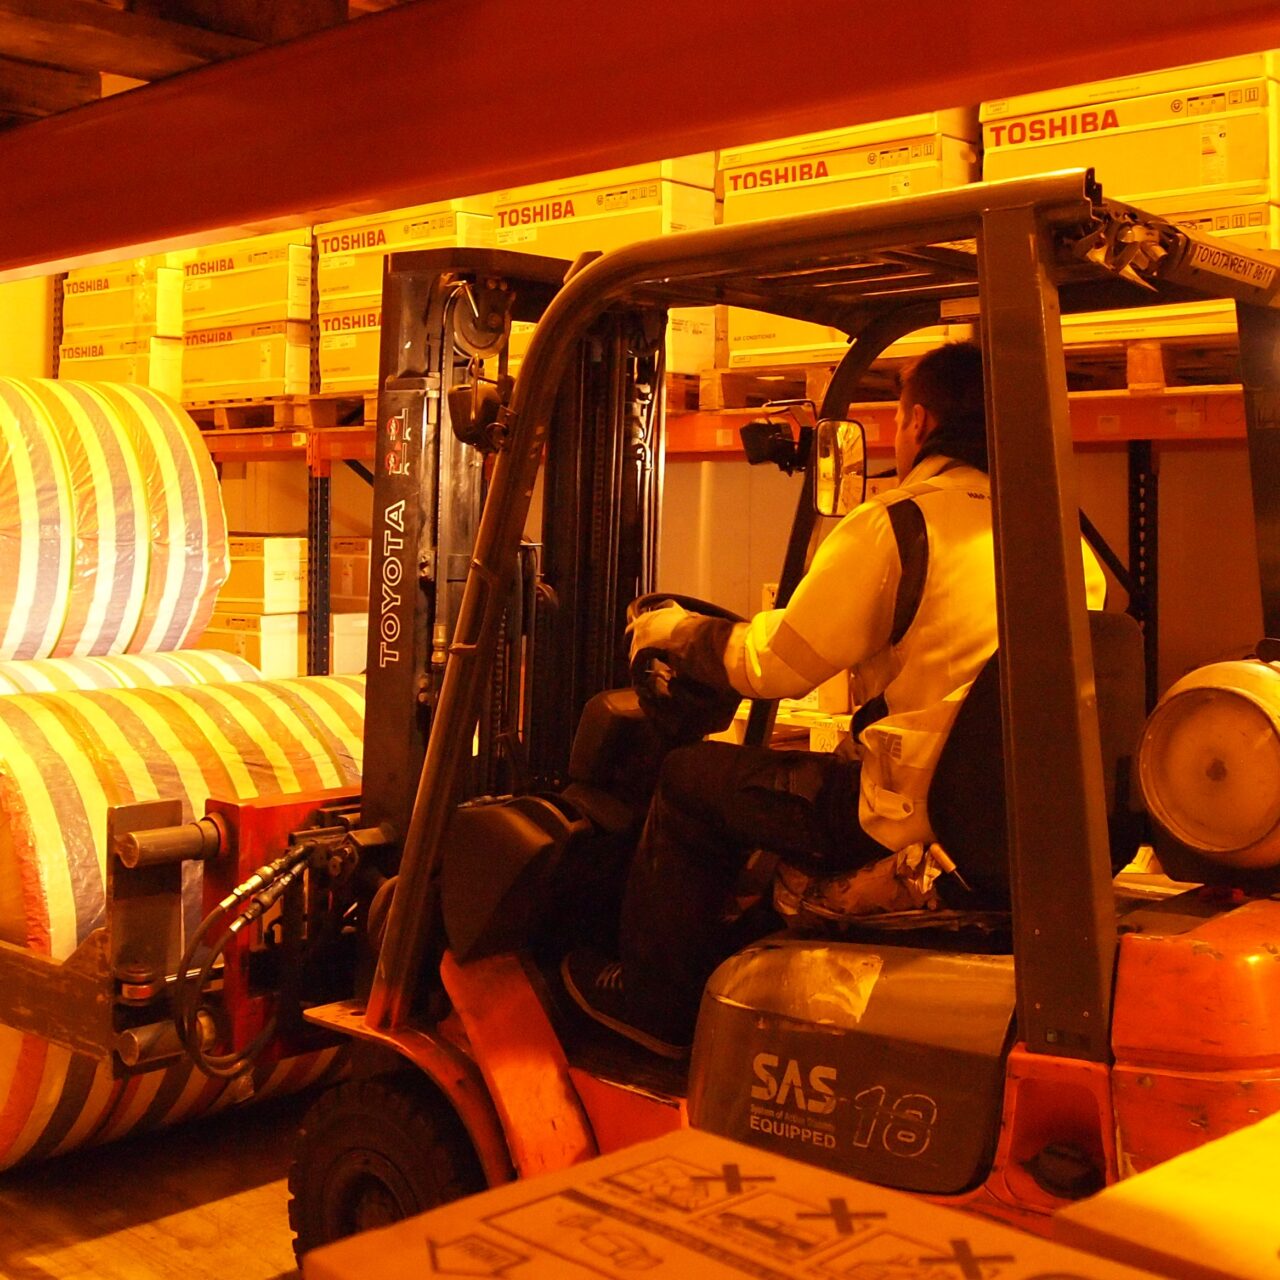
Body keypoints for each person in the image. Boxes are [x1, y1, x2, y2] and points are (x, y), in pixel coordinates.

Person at [561, 341, 1105, 1058]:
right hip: (998, 818)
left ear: (919, 421)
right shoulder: (1057, 538)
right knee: (769, 784)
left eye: (900, 417)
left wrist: (681, 633)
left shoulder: (901, 524)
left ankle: (654, 1005)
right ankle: (736, 954)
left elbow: (777, 663)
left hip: (898, 816)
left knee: (691, 778)